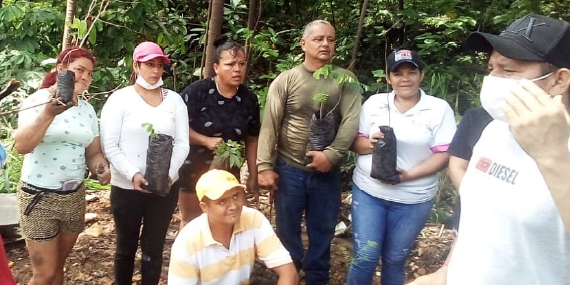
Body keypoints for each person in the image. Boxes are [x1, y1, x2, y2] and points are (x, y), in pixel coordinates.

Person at [409, 14, 570, 285]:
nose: (493, 79)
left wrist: (552, 156)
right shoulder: (494, 131)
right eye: (491, 68)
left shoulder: (561, 153)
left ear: (559, 80)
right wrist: (444, 274)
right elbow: (480, 224)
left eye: (508, 71)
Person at [257, 20, 362, 284]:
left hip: (327, 172)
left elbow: (351, 120)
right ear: (304, 43)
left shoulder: (345, 80)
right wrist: (264, 166)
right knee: (287, 228)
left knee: (323, 229)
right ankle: (289, 273)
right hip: (289, 168)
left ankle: (316, 277)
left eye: (331, 39)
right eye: (318, 39)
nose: (326, 44)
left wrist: (333, 154)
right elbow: (271, 123)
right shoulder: (287, 80)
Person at [346, 49, 456, 285]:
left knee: (395, 259)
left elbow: (445, 154)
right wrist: (372, 143)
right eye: (397, 73)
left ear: (421, 75)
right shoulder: (375, 103)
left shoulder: (438, 109)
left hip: (413, 198)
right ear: (388, 78)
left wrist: (407, 176)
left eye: (411, 72)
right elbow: (355, 142)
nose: (404, 78)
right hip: (369, 192)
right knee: (365, 256)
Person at [13, 47, 110, 285]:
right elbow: (22, 146)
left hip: (73, 197)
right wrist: (48, 113)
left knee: (57, 268)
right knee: (44, 274)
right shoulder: (36, 101)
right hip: (38, 197)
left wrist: (101, 168)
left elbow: (94, 153)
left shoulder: (86, 110)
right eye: (79, 70)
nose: (85, 78)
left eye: (89, 73)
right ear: (61, 70)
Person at [100, 41, 189, 285]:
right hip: (126, 188)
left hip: (164, 188)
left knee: (154, 246)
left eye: (159, 65)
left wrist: (168, 175)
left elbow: (182, 143)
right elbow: (110, 145)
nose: (155, 71)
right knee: (125, 246)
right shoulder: (120, 100)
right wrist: (132, 174)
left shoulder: (174, 101)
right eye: (150, 65)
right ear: (136, 65)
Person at [177, 35, 260, 229]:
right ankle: (187, 259)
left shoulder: (249, 99)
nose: (237, 69)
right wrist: (205, 140)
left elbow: (252, 139)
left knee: (232, 222)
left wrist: (253, 176)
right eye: (230, 64)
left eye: (241, 64)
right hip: (193, 168)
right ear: (216, 67)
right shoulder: (198, 92)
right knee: (192, 222)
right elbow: (176, 127)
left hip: (228, 173)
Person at [168, 169, 298, 284]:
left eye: (236, 196)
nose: (233, 206)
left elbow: (289, 273)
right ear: (204, 207)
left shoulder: (253, 219)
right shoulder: (187, 242)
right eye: (222, 201)